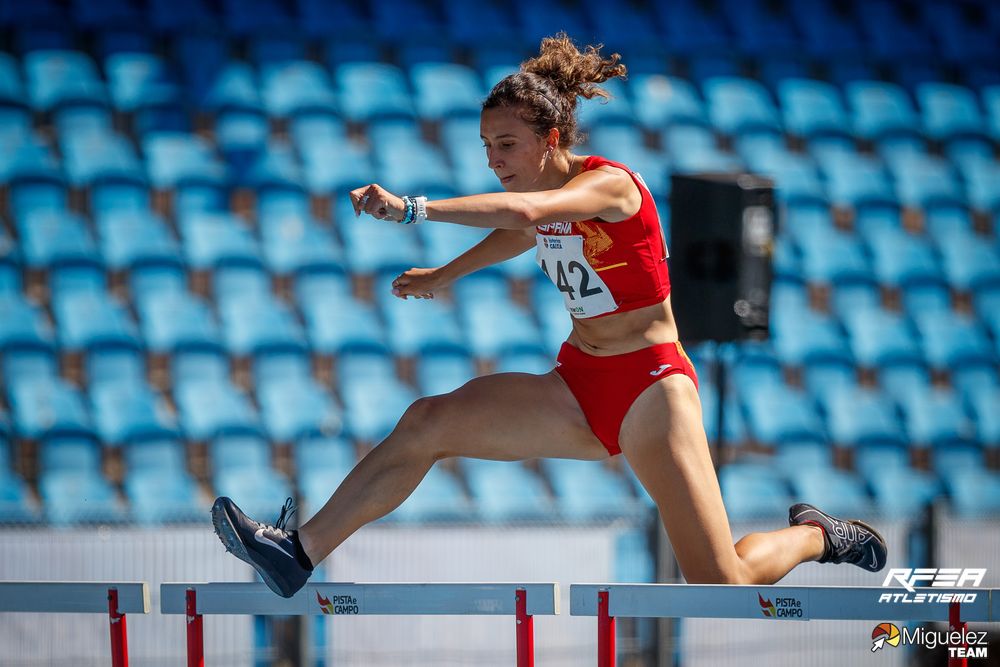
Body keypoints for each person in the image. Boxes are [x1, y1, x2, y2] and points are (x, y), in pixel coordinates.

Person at [211, 34, 887, 598]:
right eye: (485, 146)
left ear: (551, 138)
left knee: (721, 585)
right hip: (580, 381)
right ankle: (298, 552)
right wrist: (446, 274)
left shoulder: (610, 184)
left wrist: (414, 209)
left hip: (653, 389)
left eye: (505, 145)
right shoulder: (548, 199)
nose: (493, 159)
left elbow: (529, 216)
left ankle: (818, 533)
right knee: (427, 421)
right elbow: (522, 233)